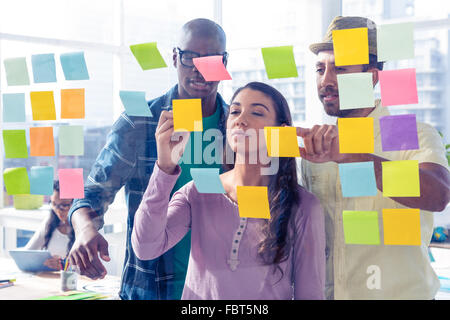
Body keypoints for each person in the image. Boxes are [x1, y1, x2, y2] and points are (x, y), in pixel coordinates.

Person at [67, 18, 229, 300]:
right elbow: (89, 194)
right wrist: (85, 228)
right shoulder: (139, 123)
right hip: (152, 288)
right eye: (191, 57)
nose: (201, 70)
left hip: (222, 290)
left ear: (224, 62)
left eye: (212, 59)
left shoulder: (236, 128)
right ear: (176, 57)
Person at [297, 16, 450, 299]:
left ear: (371, 76)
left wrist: (352, 156)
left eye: (340, 69)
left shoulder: (409, 132)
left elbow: (437, 194)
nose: (326, 80)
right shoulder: (318, 145)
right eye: (320, 69)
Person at [131, 82, 325, 299]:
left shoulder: (304, 206)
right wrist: (164, 167)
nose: (241, 119)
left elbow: (310, 294)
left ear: (280, 131)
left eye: (257, 112)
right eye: (235, 111)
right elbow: (146, 247)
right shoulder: (199, 191)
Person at [25, 181, 74, 270]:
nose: (58, 210)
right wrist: (43, 263)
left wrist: (63, 267)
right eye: (54, 204)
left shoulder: (85, 228)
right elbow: (27, 252)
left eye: (64, 205)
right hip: (50, 279)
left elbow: (92, 269)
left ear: (76, 203)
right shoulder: (50, 221)